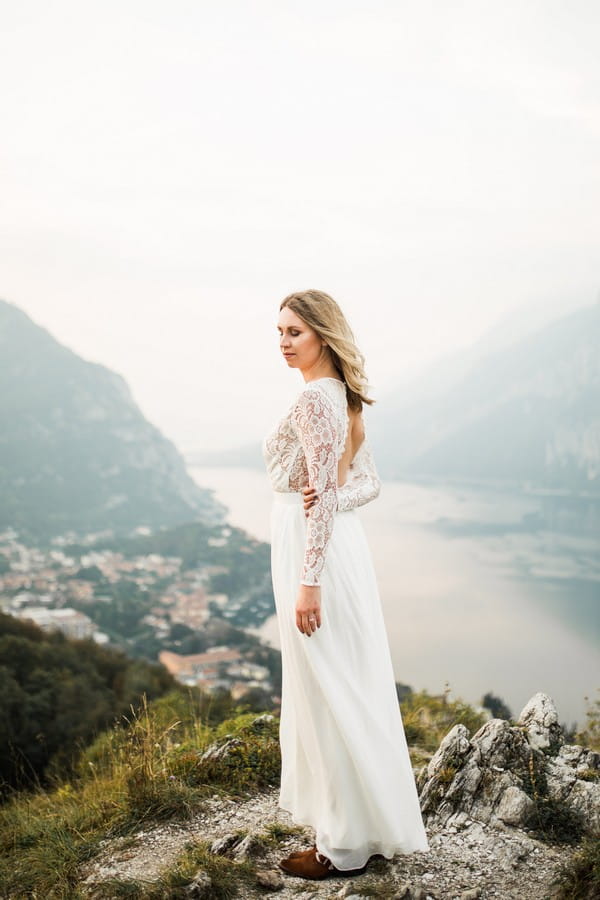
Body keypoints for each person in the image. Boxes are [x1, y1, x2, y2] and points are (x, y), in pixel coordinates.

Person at [262, 289, 430, 881]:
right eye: (279, 331)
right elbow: (367, 485)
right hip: (338, 546)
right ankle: (366, 829)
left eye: (294, 333)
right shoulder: (346, 397)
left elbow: (340, 494)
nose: (282, 342)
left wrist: (309, 580)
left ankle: (340, 846)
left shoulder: (315, 399)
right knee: (348, 684)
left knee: (326, 689)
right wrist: (330, 495)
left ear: (323, 337)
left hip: (315, 552)